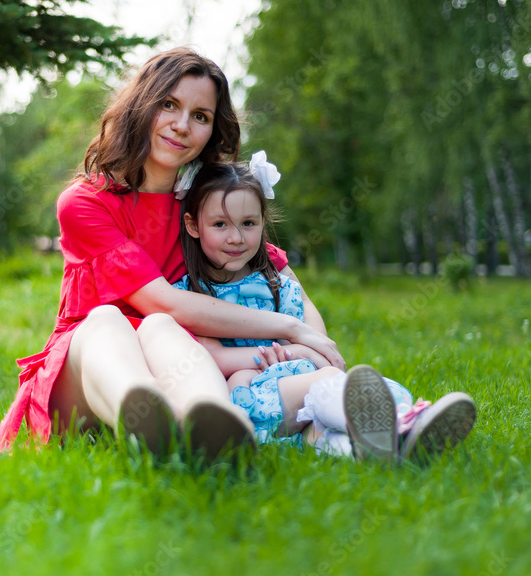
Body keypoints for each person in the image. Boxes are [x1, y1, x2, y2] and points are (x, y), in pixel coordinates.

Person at [0, 48, 345, 457]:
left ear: (212, 131)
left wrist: (314, 342)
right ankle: (145, 413)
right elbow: (162, 300)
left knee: (163, 330)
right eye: (168, 105)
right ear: (141, 105)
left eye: (200, 116)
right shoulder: (85, 201)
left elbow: (276, 273)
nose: (181, 125)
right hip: (86, 379)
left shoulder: (205, 212)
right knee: (111, 320)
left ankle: (213, 425)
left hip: (178, 359)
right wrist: (288, 329)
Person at [172, 158, 477, 461]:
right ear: (193, 225)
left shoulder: (280, 285)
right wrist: (296, 353)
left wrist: (310, 351)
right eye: (220, 224)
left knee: (320, 433)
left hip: (299, 402)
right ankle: (404, 424)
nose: (236, 237)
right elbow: (213, 357)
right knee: (328, 381)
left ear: (263, 222)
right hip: (254, 397)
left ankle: (376, 452)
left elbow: (313, 334)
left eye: (248, 223)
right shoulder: (194, 294)